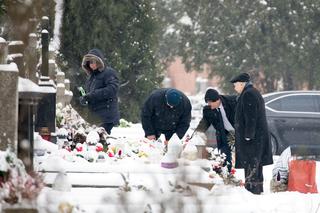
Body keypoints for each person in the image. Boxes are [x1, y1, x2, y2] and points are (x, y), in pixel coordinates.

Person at [230, 72, 273, 194]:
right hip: (257, 137)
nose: (234, 87)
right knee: (255, 163)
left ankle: (252, 189)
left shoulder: (248, 94)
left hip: (253, 138)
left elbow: (251, 117)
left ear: (242, 84)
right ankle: (257, 188)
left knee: (251, 162)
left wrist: (248, 135)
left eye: (235, 85)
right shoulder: (251, 92)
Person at [194, 88, 237, 172]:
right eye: (207, 102)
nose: (209, 105)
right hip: (225, 135)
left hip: (240, 131)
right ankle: (227, 175)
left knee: (245, 156)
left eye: (210, 102)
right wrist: (197, 134)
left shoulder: (232, 102)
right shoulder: (208, 110)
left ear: (217, 100)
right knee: (224, 157)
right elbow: (204, 123)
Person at [80, 48, 120, 134]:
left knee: (100, 139)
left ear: (100, 61)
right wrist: (85, 98)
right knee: (97, 141)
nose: (92, 65)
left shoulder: (109, 72)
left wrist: (92, 95)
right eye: (90, 62)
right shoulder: (91, 77)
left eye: (95, 62)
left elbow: (112, 89)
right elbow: (90, 94)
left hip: (107, 115)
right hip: (96, 115)